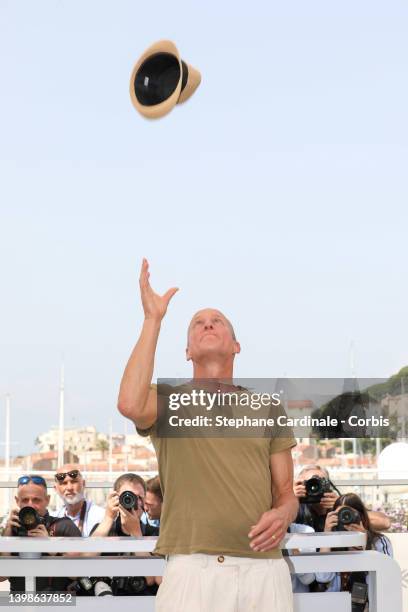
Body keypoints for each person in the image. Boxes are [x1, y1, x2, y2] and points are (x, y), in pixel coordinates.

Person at [117, 258, 298, 612]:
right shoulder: (168, 400)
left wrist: (283, 515)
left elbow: (286, 494)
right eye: (198, 323)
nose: (208, 324)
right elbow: (128, 403)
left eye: (217, 322)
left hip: (263, 568)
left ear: (236, 346)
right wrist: (153, 319)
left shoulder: (267, 407)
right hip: (191, 569)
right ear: (187, 351)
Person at [0, 475, 81, 593]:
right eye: (25, 500)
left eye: (36, 500)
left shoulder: (63, 526)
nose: (30, 505)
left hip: (57, 604)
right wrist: (7, 535)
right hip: (19, 605)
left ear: (47, 500)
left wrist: (51, 546)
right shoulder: (11, 529)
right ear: (17, 501)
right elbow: (2, 577)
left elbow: (78, 575)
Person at [313, 493, 393, 607]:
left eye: (350, 514)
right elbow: (322, 577)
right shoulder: (332, 542)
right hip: (335, 606)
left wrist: (365, 545)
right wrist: (327, 534)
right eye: (341, 514)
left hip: (368, 606)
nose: (346, 519)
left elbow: (386, 580)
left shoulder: (379, 541)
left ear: (363, 517)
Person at [90, 472, 159, 596]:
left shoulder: (154, 533)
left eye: (139, 497)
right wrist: (108, 517)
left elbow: (152, 578)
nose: (133, 502)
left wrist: (136, 533)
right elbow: (84, 561)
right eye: (127, 496)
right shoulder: (103, 530)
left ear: (144, 502)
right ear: (116, 498)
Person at [294, 464, 391, 533]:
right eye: (309, 483)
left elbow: (385, 523)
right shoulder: (295, 506)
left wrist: (343, 507)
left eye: (319, 482)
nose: (314, 488)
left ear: (328, 485)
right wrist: (290, 499)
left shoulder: (340, 503)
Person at [52, 465, 105, 537]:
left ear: (83, 484)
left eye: (74, 482)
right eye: (64, 483)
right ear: (56, 489)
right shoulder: (53, 519)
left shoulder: (101, 517)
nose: (69, 487)